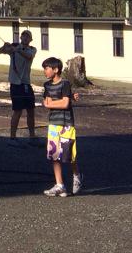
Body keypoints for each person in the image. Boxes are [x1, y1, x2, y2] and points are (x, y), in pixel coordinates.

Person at [41, 56, 81, 197]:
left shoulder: (65, 84)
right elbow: (47, 102)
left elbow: (64, 104)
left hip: (66, 124)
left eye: (47, 68)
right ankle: (60, 185)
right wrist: (60, 102)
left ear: (55, 69)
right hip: (53, 123)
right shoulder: (47, 86)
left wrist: (56, 103)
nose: (45, 71)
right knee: (54, 155)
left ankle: (76, 175)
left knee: (69, 154)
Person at [0, 29, 38, 146]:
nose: (25, 38)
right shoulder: (14, 48)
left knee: (31, 110)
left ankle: (32, 137)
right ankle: (12, 137)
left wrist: (17, 50)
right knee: (17, 111)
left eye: (27, 37)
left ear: (30, 40)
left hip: (26, 83)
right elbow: (0, 51)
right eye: (23, 36)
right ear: (20, 38)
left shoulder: (32, 49)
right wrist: (5, 46)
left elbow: (29, 56)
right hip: (15, 84)